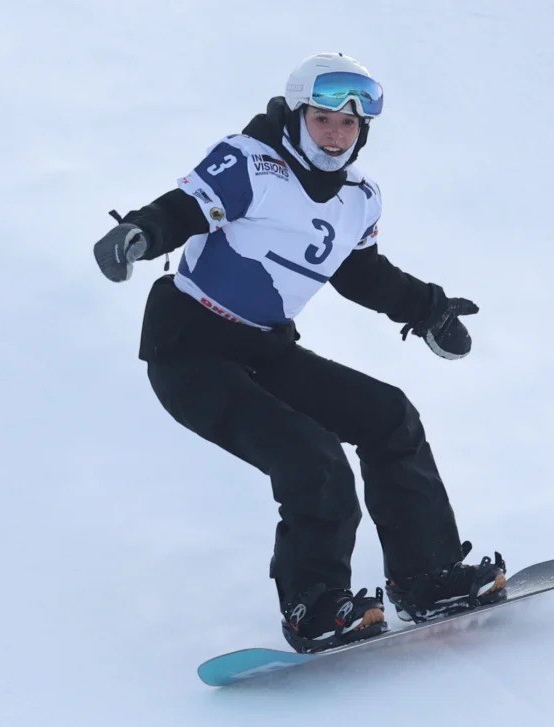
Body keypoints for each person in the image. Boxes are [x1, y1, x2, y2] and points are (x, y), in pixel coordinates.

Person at [93, 52, 506, 653]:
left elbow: (359, 272)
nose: (336, 136)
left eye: (350, 125)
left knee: (390, 417)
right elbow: (182, 210)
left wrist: (428, 308)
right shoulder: (250, 161)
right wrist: (140, 233)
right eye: (323, 119)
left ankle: (427, 577)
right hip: (190, 353)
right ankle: (313, 606)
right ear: (296, 115)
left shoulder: (359, 198)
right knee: (310, 455)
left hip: (266, 350)